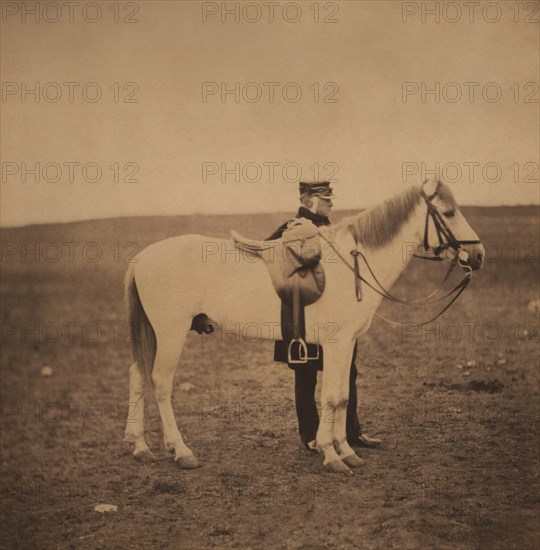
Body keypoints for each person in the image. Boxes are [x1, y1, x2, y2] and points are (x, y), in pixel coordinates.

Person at [267, 181, 381, 451]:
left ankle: (350, 432)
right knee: (306, 378)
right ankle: (310, 435)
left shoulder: (332, 231)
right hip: (302, 317)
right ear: (306, 199)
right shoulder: (291, 229)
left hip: (336, 317)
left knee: (346, 373)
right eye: (324, 197)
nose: (331, 202)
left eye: (331, 197)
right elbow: (267, 255)